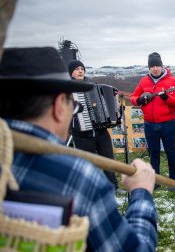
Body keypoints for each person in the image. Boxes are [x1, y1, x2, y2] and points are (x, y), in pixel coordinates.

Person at [0, 47, 157, 251]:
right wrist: (142, 191)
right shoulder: (81, 178)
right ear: (59, 107)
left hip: (99, 134)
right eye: (73, 107)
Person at [130, 52, 175, 189]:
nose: (155, 68)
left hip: (167, 123)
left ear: (162, 65)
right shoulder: (144, 81)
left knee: (170, 152)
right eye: (152, 66)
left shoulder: (172, 81)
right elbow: (134, 97)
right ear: (149, 67)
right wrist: (139, 100)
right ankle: (155, 180)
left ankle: (172, 181)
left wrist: (166, 98)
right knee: (154, 153)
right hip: (149, 123)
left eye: (158, 65)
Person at [68, 59, 120, 192]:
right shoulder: (67, 90)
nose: (80, 71)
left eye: (82, 69)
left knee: (108, 159)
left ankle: (113, 186)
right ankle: (90, 190)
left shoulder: (92, 86)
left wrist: (115, 107)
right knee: (88, 165)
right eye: (77, 69)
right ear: (70, 72)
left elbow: (103, 105)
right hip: (82, 134)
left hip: (100, 131)